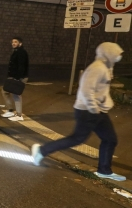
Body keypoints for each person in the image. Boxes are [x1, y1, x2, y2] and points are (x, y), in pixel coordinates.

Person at [32, 43, 126, 181]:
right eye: (117, 54)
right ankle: (42, 150)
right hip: (88, 111)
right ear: (108, 53)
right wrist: (94, 108)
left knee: (110, 139)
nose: (119, 57)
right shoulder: (97, 68)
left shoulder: (106, 67)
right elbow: (86, 91)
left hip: (99, 111)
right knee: (76, 139)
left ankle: (104, 171)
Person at [1, 36, 29, 121]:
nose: (13, 43)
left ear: (20, 43)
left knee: (16, 95)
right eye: (12, 42)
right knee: (5, 91)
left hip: (19, 77)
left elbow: (21, 66)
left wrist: (17, 78)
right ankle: (10, 110)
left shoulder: (21, 52)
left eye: (15, 42)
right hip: (14, 76)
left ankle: (19, 115)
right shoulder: (17, 51)